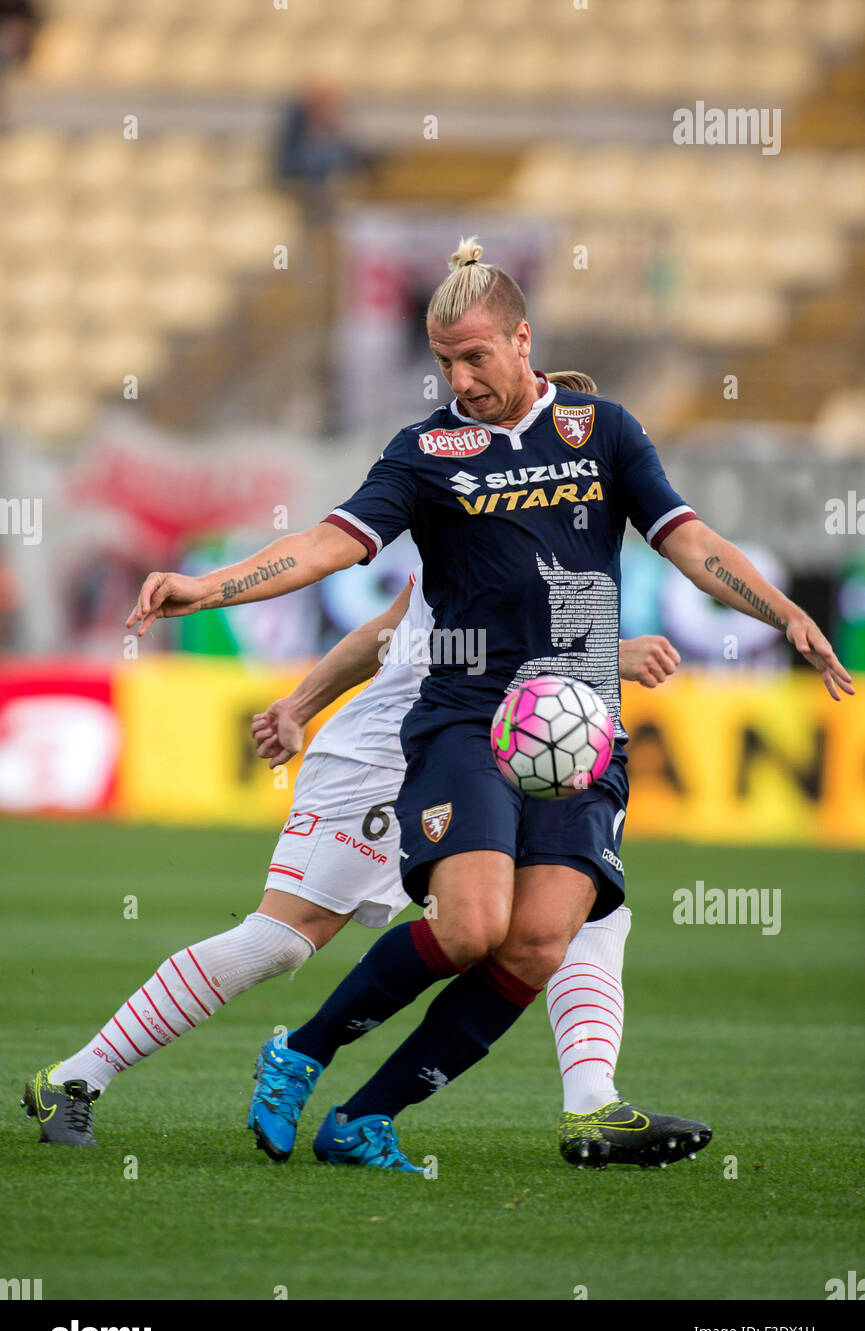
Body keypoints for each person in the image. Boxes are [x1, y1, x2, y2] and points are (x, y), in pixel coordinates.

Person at [121, 238, 854, 1172]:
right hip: (469, 716)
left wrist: (781, 610)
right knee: (469, 926)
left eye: (475, 358)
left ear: (522, 339)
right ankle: (301, 1049)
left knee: (538, 943)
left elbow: (688, 537)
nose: (459, 379)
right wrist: (206, 587)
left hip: (579, 723)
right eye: (443, 363)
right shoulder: (425, 453)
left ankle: (367, 1118)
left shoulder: (604, 430)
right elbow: (324, 547)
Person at [21, 546, 679, 1162]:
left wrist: (300, 703)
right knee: (281, 939)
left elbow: (393, 625)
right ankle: (76, 1077)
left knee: (578, 916)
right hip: (388, 757)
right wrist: (603, 657)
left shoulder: (552, 508)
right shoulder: (475, 494)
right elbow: (430, 635)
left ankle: (590, 1103)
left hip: (494, 761)